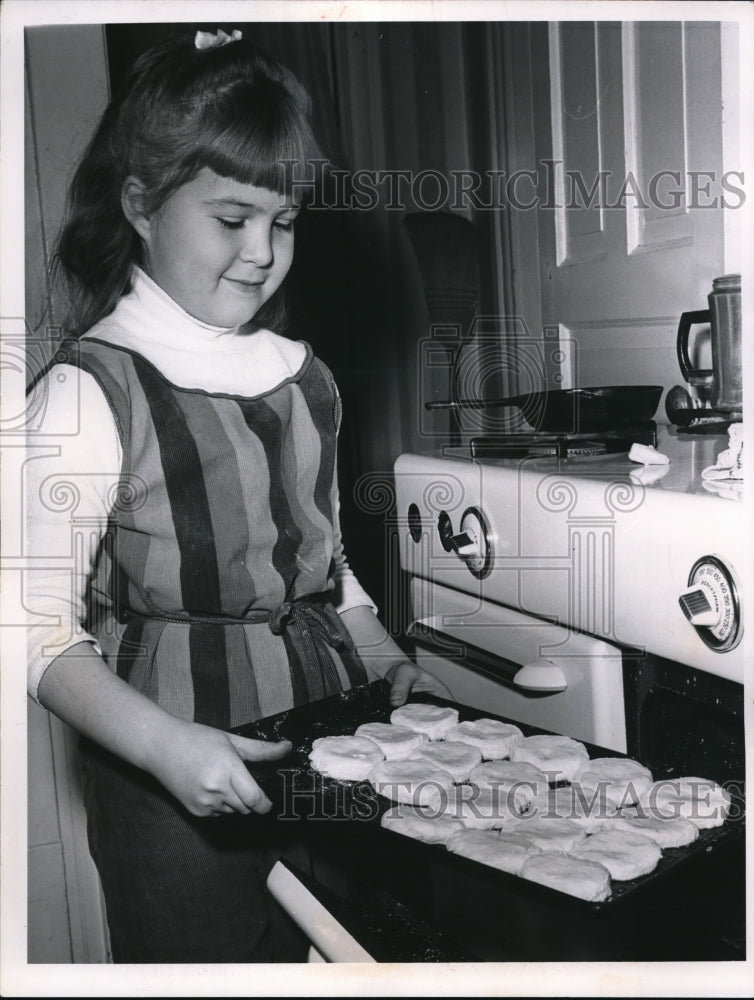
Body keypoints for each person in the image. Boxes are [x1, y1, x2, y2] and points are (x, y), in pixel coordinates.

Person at [25, 29, 449, 964]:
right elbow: (30, 631)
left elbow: (325, 569)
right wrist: (172, 750)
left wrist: (385, 663)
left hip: (332, 746)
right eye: (230, 219)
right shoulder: (89, 388)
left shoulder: (306, 377)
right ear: (140, 205)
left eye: (284, 221)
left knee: (348, 955)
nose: (262, 252)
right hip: (168, 778)